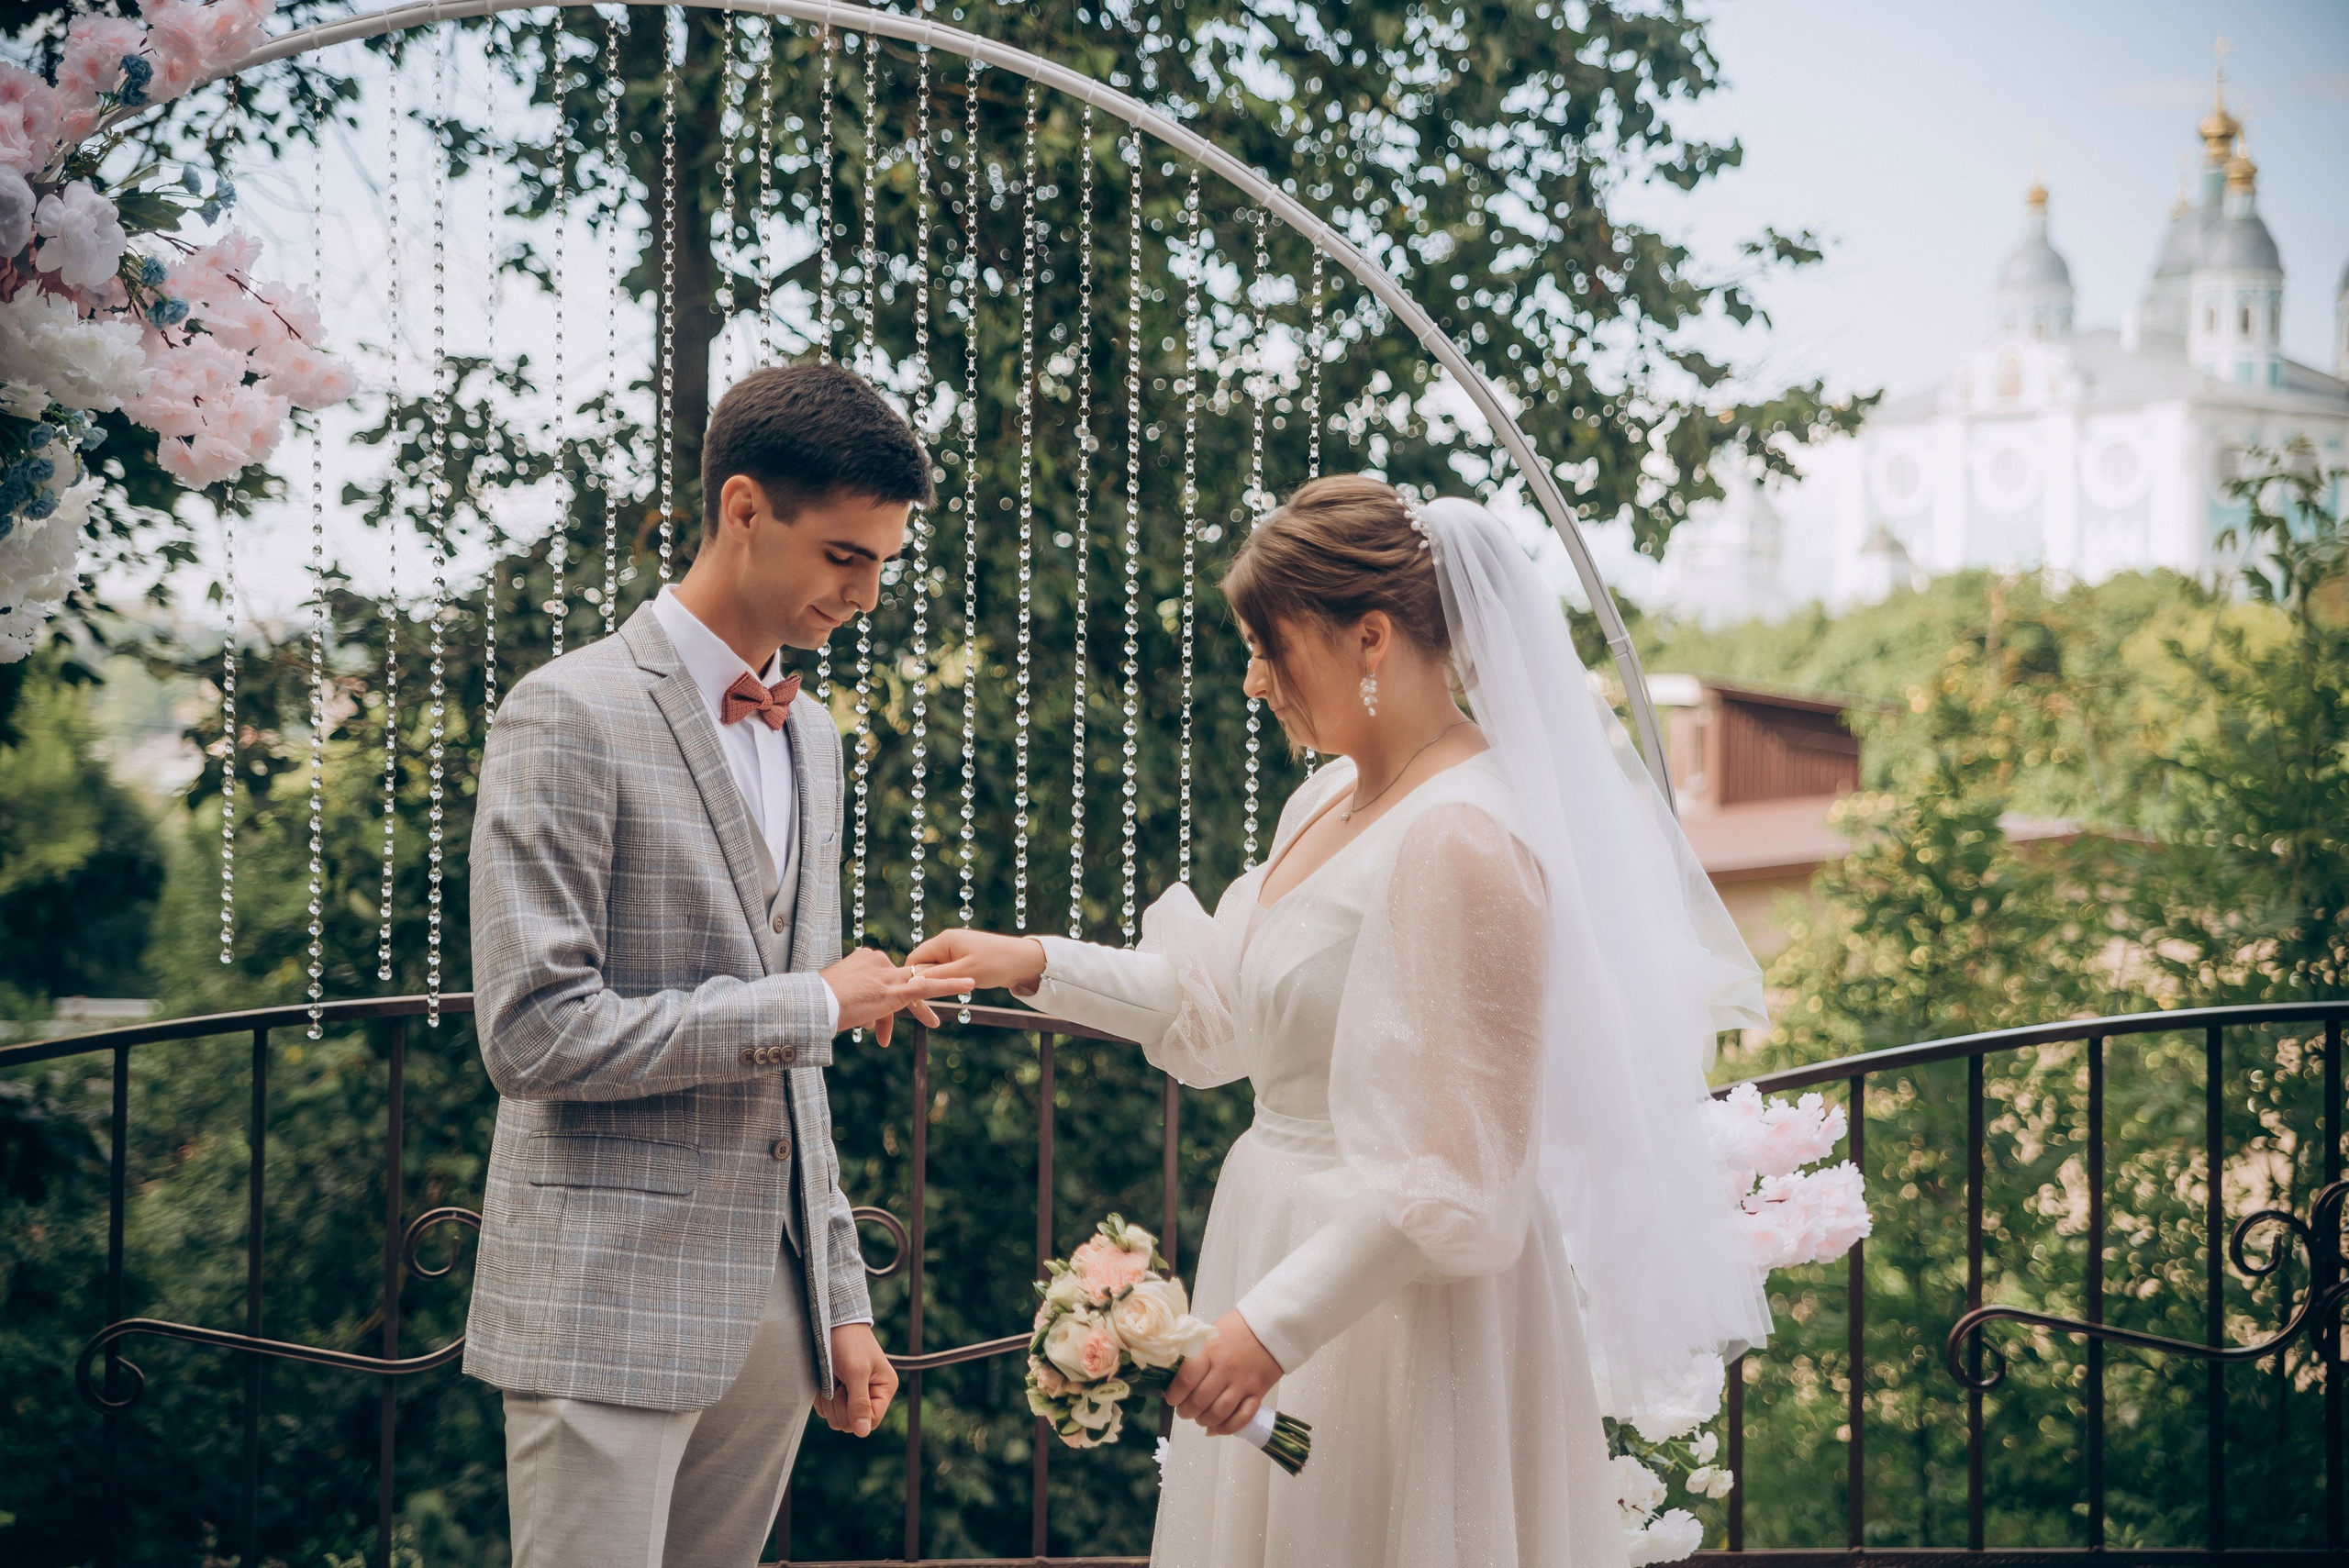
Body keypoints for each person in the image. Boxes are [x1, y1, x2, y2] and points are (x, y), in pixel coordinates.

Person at [908, 476, 1772, 1568]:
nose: (1253, 679)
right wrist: (1032, 962)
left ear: (1369, 636)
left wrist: (1275, 1325)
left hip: (1399, 1307)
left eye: (1270, 647)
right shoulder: (1323, 798)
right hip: (1276, 1237)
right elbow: (1221, 1010)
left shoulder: (1467, 835)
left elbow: (1466, 1170)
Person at [465, 361, 974, 1568]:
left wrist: (837, 1298)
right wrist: (813, 1001)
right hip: (603, 1301)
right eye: (843, 555)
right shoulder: (566, 710)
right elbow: (533, 1031)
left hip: (772, 1317)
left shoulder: (814, 736)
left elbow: (799, 1072)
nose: (866, 593)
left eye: (884, 563)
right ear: (742, 507)